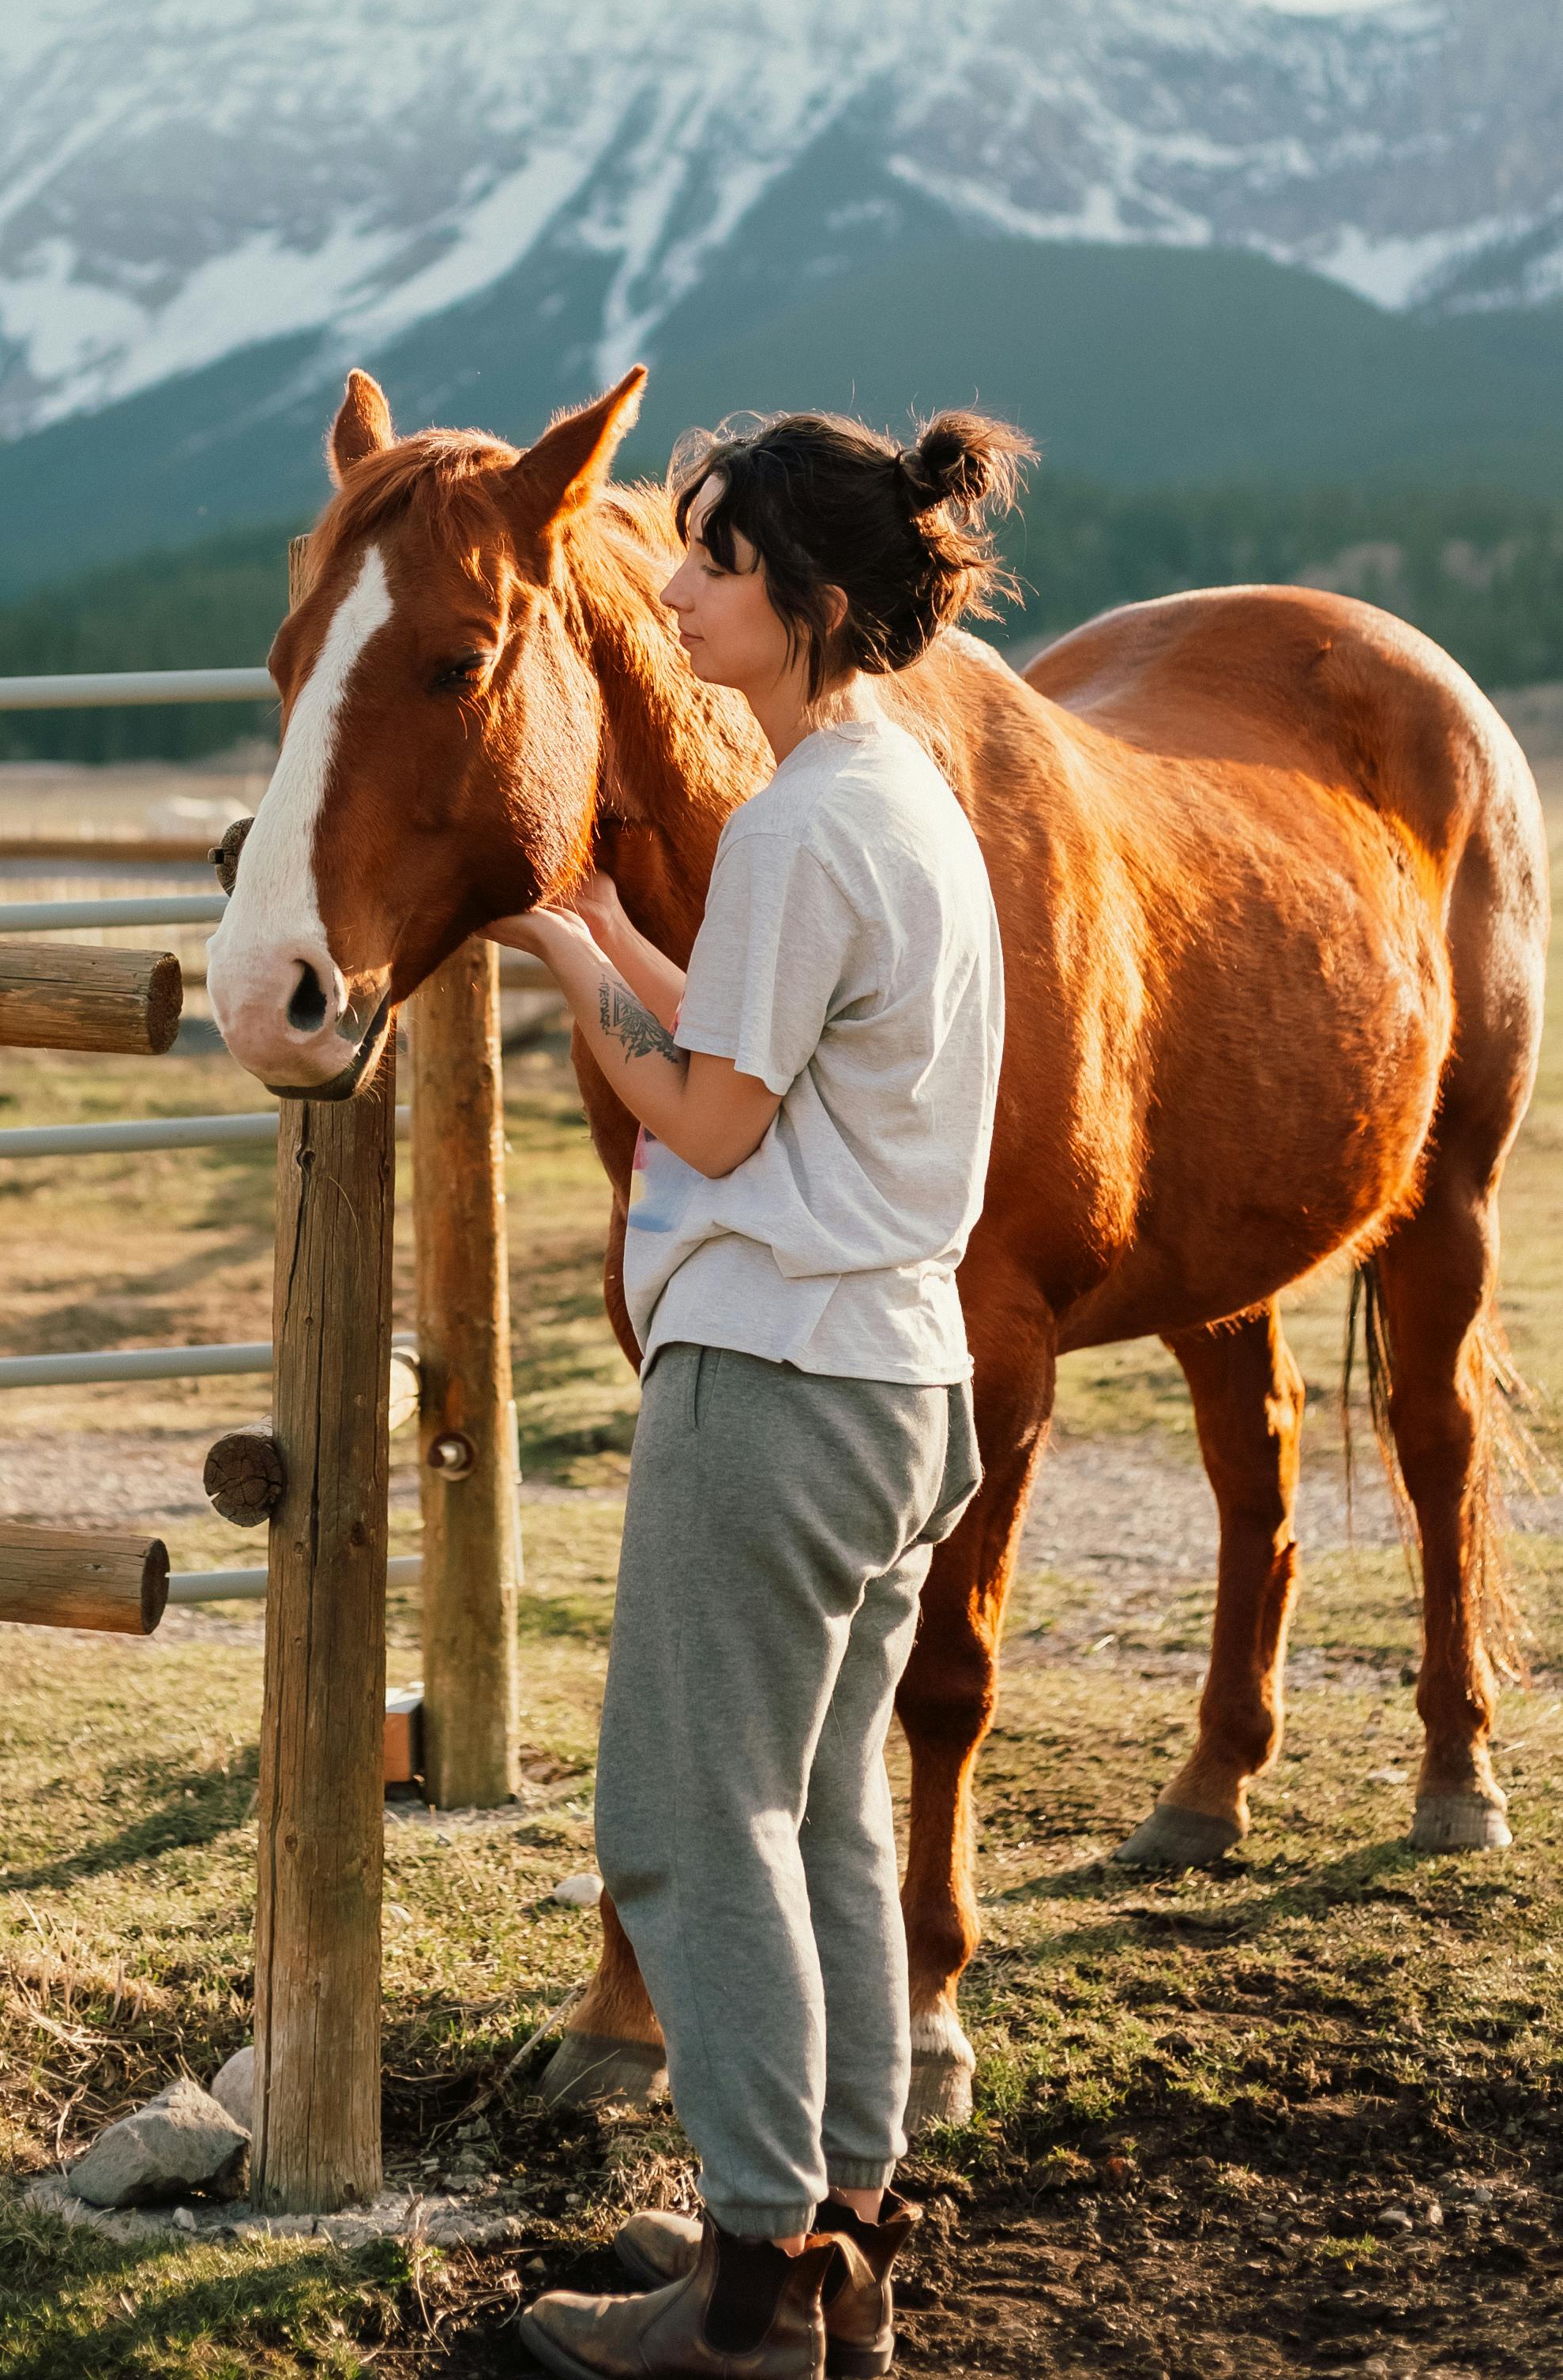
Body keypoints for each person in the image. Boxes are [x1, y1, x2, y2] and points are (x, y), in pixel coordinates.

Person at [495, 407, 1020, 2380]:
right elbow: (764, 1032)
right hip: (900, 1385)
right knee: (820, 1817)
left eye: (711, 562)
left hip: (778, 1382)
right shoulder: (896, 796)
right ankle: (836, 2221)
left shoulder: (802, 819)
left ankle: (738, 2297)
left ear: (805, 600)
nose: (674, 587)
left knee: (683, 1812)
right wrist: (626, 928)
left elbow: (707, 1115)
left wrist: (570, 972)